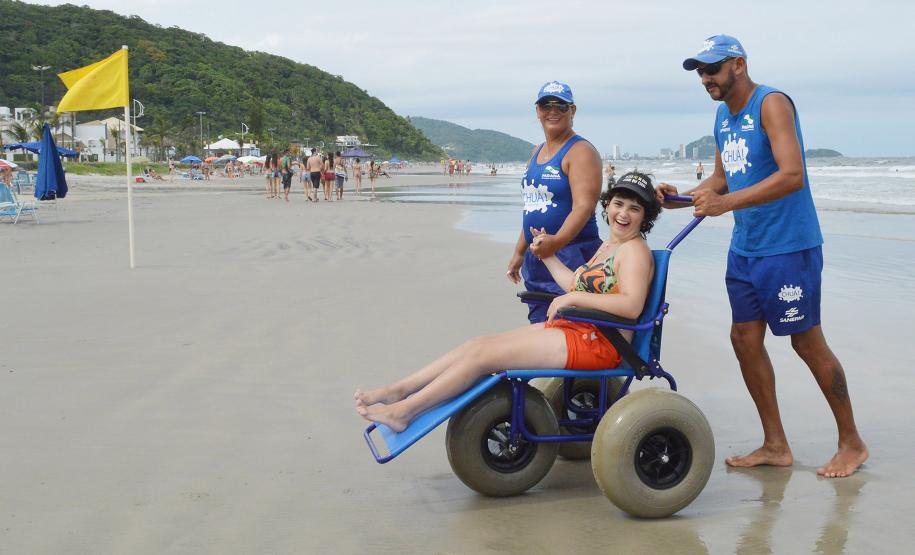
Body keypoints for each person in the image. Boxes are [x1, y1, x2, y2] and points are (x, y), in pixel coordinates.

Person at [657, 35, 867, 478]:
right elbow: (721, 180)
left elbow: (792, 175)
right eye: (700, 72)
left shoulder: (771, 103)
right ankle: (775, 445)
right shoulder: (722, 115)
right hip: (746, 247)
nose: (706, 79)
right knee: (744, 339)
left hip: (789, 246)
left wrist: (724, 204)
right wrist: (680, 198)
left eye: (712, 69)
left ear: (738, 64)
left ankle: (852, 443)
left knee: (806, 342)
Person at [356, 172, 661, 432]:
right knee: (477, 345)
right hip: (581, 330)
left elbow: (632, 305)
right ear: (607, 206)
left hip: (601, 343)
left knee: (483, 358)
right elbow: (575, 284)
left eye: (634, 208)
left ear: (645, 216)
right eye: (618, 204)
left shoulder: (634, 252)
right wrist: (547, 256)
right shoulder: (610, 246)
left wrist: (573, 298)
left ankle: (404, 413)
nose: (623, 213)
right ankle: (400, 391)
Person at [507, 81, 604, 324]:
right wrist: (519, 252)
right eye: (545, 105)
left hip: (572, 254)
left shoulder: (580, 151)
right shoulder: (536, 151)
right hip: (539, 253)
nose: (552, 111)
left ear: (572, 111)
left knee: (569, 325)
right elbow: (532, 208)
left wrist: (556, 242)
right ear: (537, 111)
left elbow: (584, 206)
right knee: (540, 323)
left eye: (560, 106)